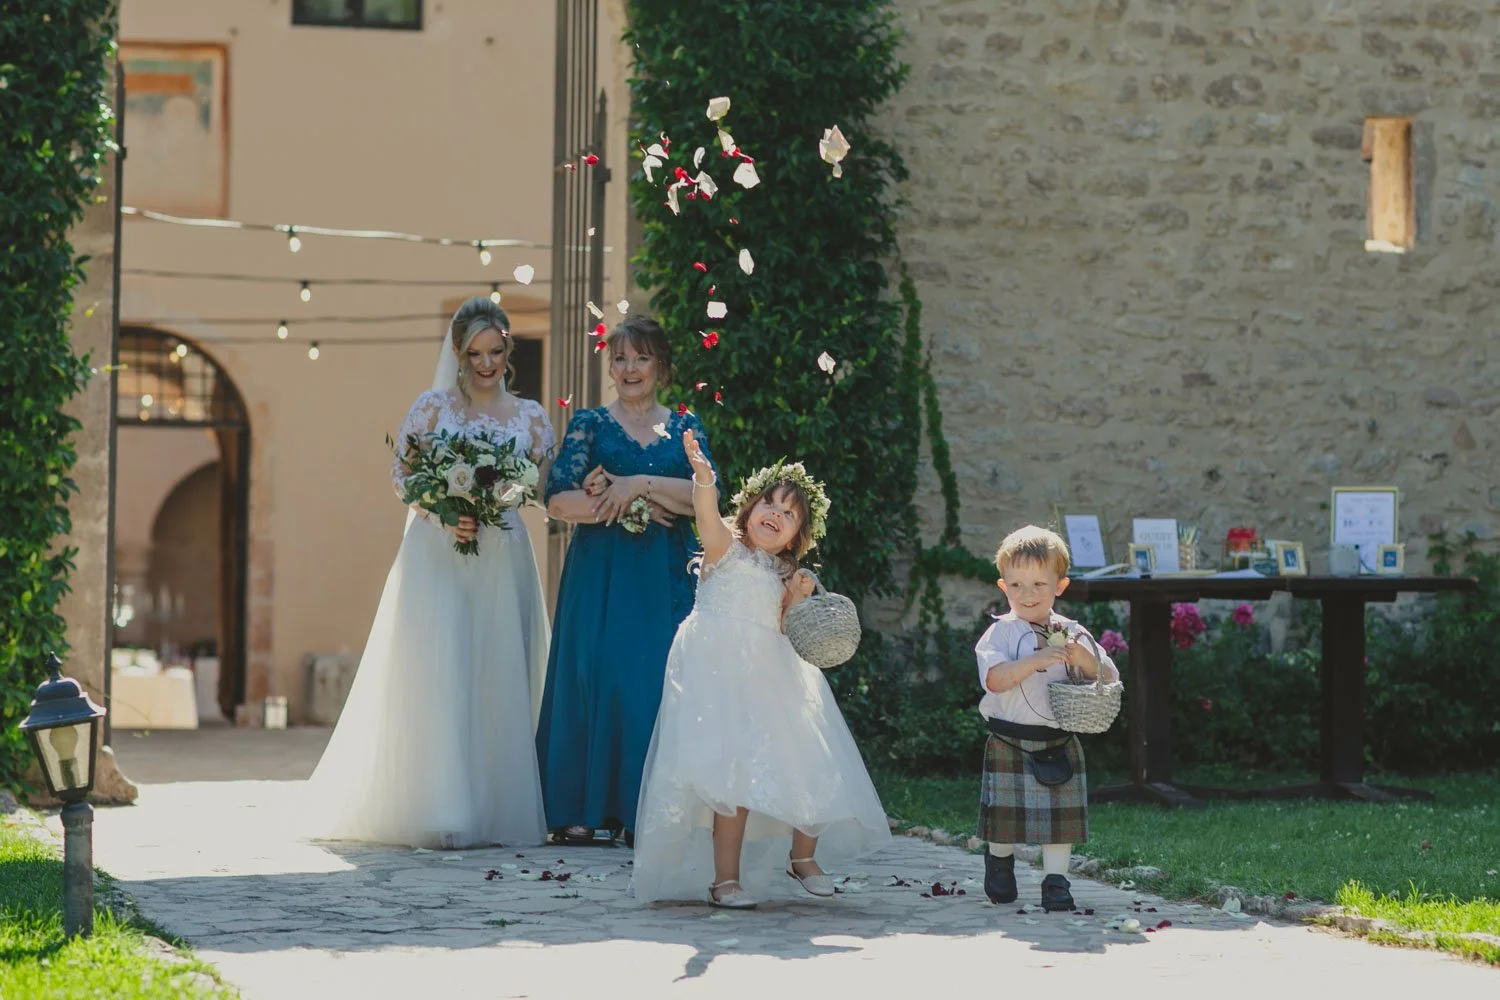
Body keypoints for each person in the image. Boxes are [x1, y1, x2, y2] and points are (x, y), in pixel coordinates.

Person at [301, 297, 553, 849]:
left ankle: (495, 808)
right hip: (439, 556)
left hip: (501, 556)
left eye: (495, 350)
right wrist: (447, 511)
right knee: (445, 671)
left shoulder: (532, 416)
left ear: (507, 349)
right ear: (459, 353)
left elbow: (542, 487)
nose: (486, 362)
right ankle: (443, 807)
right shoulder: (432, 409)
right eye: (474, 352)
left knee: (494, 671)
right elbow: (402, 478)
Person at [631, 433, 890, 909]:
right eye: (768, 503)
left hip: (774, 678)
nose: (775, 514)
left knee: (809, 759)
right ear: (748, 510)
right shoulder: (723, 550)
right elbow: (705, 516)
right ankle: (724, 879)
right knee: (733, 779)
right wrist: (703, 479)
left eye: (789, 513)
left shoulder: (785, 574)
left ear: (798, 535)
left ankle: (803, 857)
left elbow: (787, 630)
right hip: (718, 676)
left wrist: (796, 598)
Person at [537, 317, 716, 845]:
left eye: (640, 358)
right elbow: (557, 500)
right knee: (600, 676)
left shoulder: (686, 425)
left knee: (658, 682)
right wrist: (624, 504)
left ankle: (653, 811)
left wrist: (639, 482)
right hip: (602, 576)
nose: (630, 369)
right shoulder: (590, 425)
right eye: (620, 359)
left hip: (667, 576)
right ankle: (583, 808)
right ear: (610, 367)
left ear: (660, 364)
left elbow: (705, 497)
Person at [973, 525, 1120, 911]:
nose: (1028, 594)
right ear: (1003, 587)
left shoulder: (1071, 631)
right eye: (1018, 585)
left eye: (1040, 583)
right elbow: (995, 679)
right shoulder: (999, 635)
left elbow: (1108, 676)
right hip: (1009, 738)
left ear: (1060, 585)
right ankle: (1000, 860)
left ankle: (1057, 882)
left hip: (1057, 740)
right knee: (1005, 820)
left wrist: (1081, 656)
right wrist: (1035, 660)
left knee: (1058, 822)